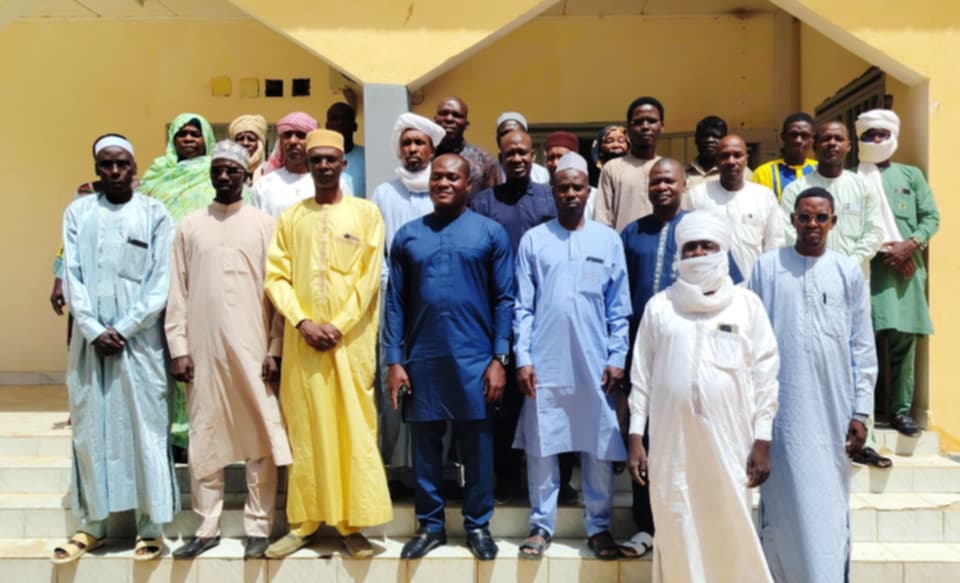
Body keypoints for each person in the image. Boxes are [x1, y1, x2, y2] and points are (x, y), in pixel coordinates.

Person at [628, 210, 778, 582]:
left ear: (722, 249)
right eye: (690, 247)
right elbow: (641, 376)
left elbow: (766, 375)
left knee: (730, 526)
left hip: (731, 440)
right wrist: (635, 436)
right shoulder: (660, 307)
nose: (698, 254)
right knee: (676, 521)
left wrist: (763, 438)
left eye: (707, 246)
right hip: (671, 442)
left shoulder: (746, 306)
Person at [264, 129, 391, 559]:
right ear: (307, 163)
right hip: (303, 345)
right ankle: (303, 524)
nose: (322, 166)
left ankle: (352, 525)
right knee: (305, 431)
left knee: (352, 430)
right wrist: (302, 322)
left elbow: (369, 279)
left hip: (349, 345)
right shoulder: (291, 218)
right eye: (315, 159)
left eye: (330, 159)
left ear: (343, 164)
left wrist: (337, 325)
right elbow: (275, 277)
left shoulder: (366, 214)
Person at [52, 135, 177, 564]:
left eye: (122, 163)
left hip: (139, 343)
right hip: (90, 344)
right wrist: (91, 329)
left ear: (134, 166)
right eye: (106, 164)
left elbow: (160, 281)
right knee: (91, 429)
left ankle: (150, 526)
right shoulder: (78, 212)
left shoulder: (155, 213)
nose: (115, 171)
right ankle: (92, 525)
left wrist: (122, 329)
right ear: (96, 169)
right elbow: (72, 275)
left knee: (146, 429)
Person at [166, 141, 292, 560]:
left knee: (260, 436)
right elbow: (177, 290)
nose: (223, 177)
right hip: (202, 351)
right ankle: (206, 528)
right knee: (204, 435)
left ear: (244, 176)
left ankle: (259, 527)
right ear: (210, 174)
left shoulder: (265, 225)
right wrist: (179, 348)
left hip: (254, 349)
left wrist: (275, 348)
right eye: (217, 170)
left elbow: (278, 294)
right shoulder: (189, 226)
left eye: (231, 171)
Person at [384, 153, 513, 561]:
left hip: (476, 357)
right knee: (425, 446)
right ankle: (430, 526)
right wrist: (394, 360)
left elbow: (504, 299)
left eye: (452, 178)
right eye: (437, 177)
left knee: (478, 446)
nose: (443, 183)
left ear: (468, 184)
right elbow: (395, 303)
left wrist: (500, 358)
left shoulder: (490, 233)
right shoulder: (408, 236)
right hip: (423, 356)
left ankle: (477, 525)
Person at [750, 187, 877, 583]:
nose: (812, 224)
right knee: (781, 509)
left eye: (821, 217)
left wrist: (861, 410)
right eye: (804, 217)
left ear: (833, 222)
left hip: (832, 413)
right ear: (793, 221)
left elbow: (862, 344)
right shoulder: (766, 268)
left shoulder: (847, 272)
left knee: (828, 509)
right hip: (780, 414)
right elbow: (750, 342)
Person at [513, 151, 631, 561]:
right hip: (545, 360)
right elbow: (522, 307)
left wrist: (617, 356)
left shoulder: (607, 240)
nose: (570, 194)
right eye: (563, 187)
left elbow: (619, 307)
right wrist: (522, 357)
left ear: (587, 190)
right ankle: (541, 526)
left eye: (577, 187)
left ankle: (599, 527)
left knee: (597, 442)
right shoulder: (534, 240)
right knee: (543, 442)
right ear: (553, 191)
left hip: (595, 360)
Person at [470, 129, 556, 504]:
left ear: (533, 155)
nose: (517, 159)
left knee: (547, 396)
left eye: (523, 152)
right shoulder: (483, 202)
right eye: (510, 154)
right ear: (501, 159)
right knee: (504, 402)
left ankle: (558, 479)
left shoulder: (550, 198)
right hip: (499, 311)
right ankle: (507, 478)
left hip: (547, 311)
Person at [369, 112, 447, 472]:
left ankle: (437, 469)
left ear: (432, 150)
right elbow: (377, 251)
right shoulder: (384, 193)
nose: (413, 149)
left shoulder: (443, 190)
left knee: (435, 382)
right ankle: (396, 468)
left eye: (419, 143)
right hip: (394, 300)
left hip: (436, 304)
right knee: (394, 379)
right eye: (406, 143)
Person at [138, 112, 218, 456]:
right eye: (181, 134)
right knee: (168, 353)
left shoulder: (218, 172)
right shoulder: (157, 174)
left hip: (205, 275)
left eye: (195, 134)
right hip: (161, 276)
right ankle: (172, 433)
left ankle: (202, 431)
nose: (188, 139)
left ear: (207, 139)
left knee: (202, 353)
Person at [856, 109, 939, 439]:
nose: (876, 139)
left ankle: (901, 411)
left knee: (904, 341)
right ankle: (868, 410)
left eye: (881, 134)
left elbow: (931, 218)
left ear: (893, 136)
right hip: (869, 269)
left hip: (906, 273)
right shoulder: (854, 178)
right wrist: (887, 250)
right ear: (860, 139)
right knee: (867, 342)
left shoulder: (911, 175)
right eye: (869, 134)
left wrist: (910, 245)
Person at [781, 121, 884, 276]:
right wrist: (817, 262)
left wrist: (851, 263)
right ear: (814, 146)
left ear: (848, 146)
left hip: (853, 275)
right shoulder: (795, 190)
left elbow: (874, 231)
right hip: (808, 273)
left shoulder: (864, 187)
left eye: (838, 139)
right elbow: (788, 232)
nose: (832, 143)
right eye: (826, 139)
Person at [686, 135, 783, 279]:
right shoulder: (697, 196)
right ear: (716, 161)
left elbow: (774, 244)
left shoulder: (764, 197)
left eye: (737, 155)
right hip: (709, 284)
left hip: (753, 283)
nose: (731, 161)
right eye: (724, 156)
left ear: (746, 159)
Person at [252, 111, 352, 218]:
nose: (292, 141)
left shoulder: (336, 184)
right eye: (287, 135)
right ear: (280, 142)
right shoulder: (264, 185)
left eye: (300, 135)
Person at [595, 97, 664, 232]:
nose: (645, 126)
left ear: (661, 127)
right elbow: (602, 219)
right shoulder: (612, 169)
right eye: (638, 122)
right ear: (628, 129)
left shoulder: (670, 170)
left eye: (652, 121)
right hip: (622, 244)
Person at [434, 96, 497, 196]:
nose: (449, 119)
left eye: (456, 115)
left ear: (466, 124)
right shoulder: (425, 157)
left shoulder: (485, 160)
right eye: (444, 113)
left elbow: (492, 199)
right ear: (435, 120)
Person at [753, 112, 818, 201]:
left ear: (813, 139)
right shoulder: (763, 173)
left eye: (804, 135)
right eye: (793, 135)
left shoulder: (819, 169)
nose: (798, 140)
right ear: (783, 137)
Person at [685, 115, 753, 190]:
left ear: (725, 140)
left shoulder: (743, 173)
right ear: (696, 139)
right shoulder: (683, 174)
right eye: (705, 136)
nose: (710, 140)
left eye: (715, 136)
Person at [544, 130, 598, 219]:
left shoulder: (594, 197)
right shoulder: (539, 194)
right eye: (551, 158)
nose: (555, 163)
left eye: (561, 157)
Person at [494, 112, 550, 184]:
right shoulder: (491, 174)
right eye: (505, 134)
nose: (511, 137)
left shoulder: (542, 174)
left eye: (515, 132)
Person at [326, 102, 366, 196]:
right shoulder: (319, 160)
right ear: (327, 126)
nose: (339, 123)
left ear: (355, 126)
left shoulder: (367, 157)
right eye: (334, 119)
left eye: (345, 119)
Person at [229, 114, 268, 184]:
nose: (245, 143)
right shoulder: (225, 172)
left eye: (251, 139)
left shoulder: (270, 171)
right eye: (240, 139)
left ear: (260, 144)